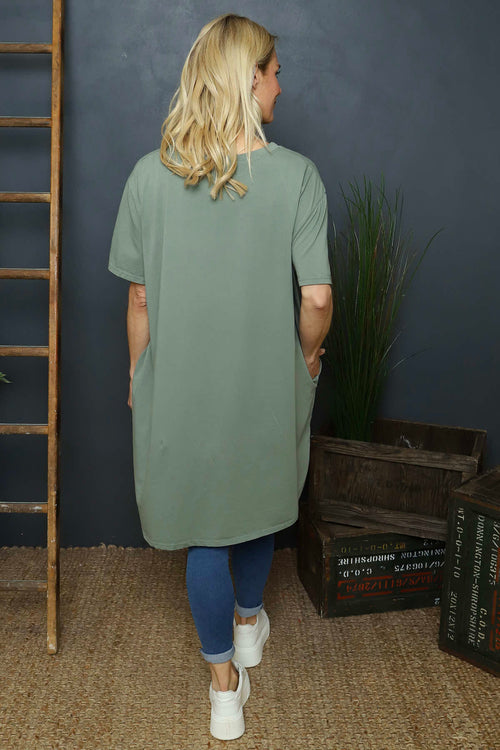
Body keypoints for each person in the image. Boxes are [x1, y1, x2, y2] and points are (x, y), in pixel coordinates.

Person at [108, 12, 332, 741]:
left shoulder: (148, 176)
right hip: (265, 388)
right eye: (274, 73)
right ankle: (246, 625)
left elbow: (139, 299)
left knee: (205, 530)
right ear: (249, 78)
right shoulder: (297, 177)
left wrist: (138, 373)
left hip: (180, 393)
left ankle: (223, 689)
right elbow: (317, 299)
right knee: (258, 500)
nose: (280, 86)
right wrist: (308, 358)